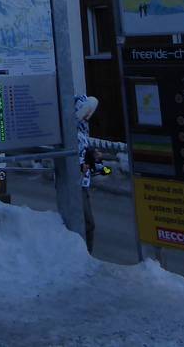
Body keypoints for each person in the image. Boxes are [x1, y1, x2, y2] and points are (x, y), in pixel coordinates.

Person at [74, 94, 111, 254]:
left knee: (86, 223)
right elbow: (71, 159)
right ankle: (85, 256)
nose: (88, 115)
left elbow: (86, 156)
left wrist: (97, 164)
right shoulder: (72, 134)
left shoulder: (82, 132)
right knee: (87, 224)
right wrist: (81, 166)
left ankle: (85, 255)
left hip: (83, 183)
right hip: (76, 185)